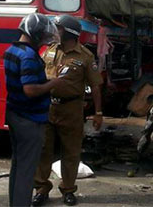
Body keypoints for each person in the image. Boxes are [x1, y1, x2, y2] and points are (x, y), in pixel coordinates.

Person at [33, 15, 104, 206]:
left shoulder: (85, 56)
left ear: (70, 33)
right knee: (43, 150)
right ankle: (41, 188)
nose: (55, 32)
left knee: (71, 152)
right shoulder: (48, 51)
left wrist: (98, 113)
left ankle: (68, 189)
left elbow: (95, 86)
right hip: (47, 107)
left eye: (60, 29)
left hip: (71, 108)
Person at [5, 13, 62, 207]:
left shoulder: (12, 50)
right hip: (29, 118)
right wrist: (52, 83)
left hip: (15, 113)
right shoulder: (28, 56)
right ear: (35, 34)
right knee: (27, 169)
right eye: (43, 35)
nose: (45, 39)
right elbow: (30, 90)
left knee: (18, 165)